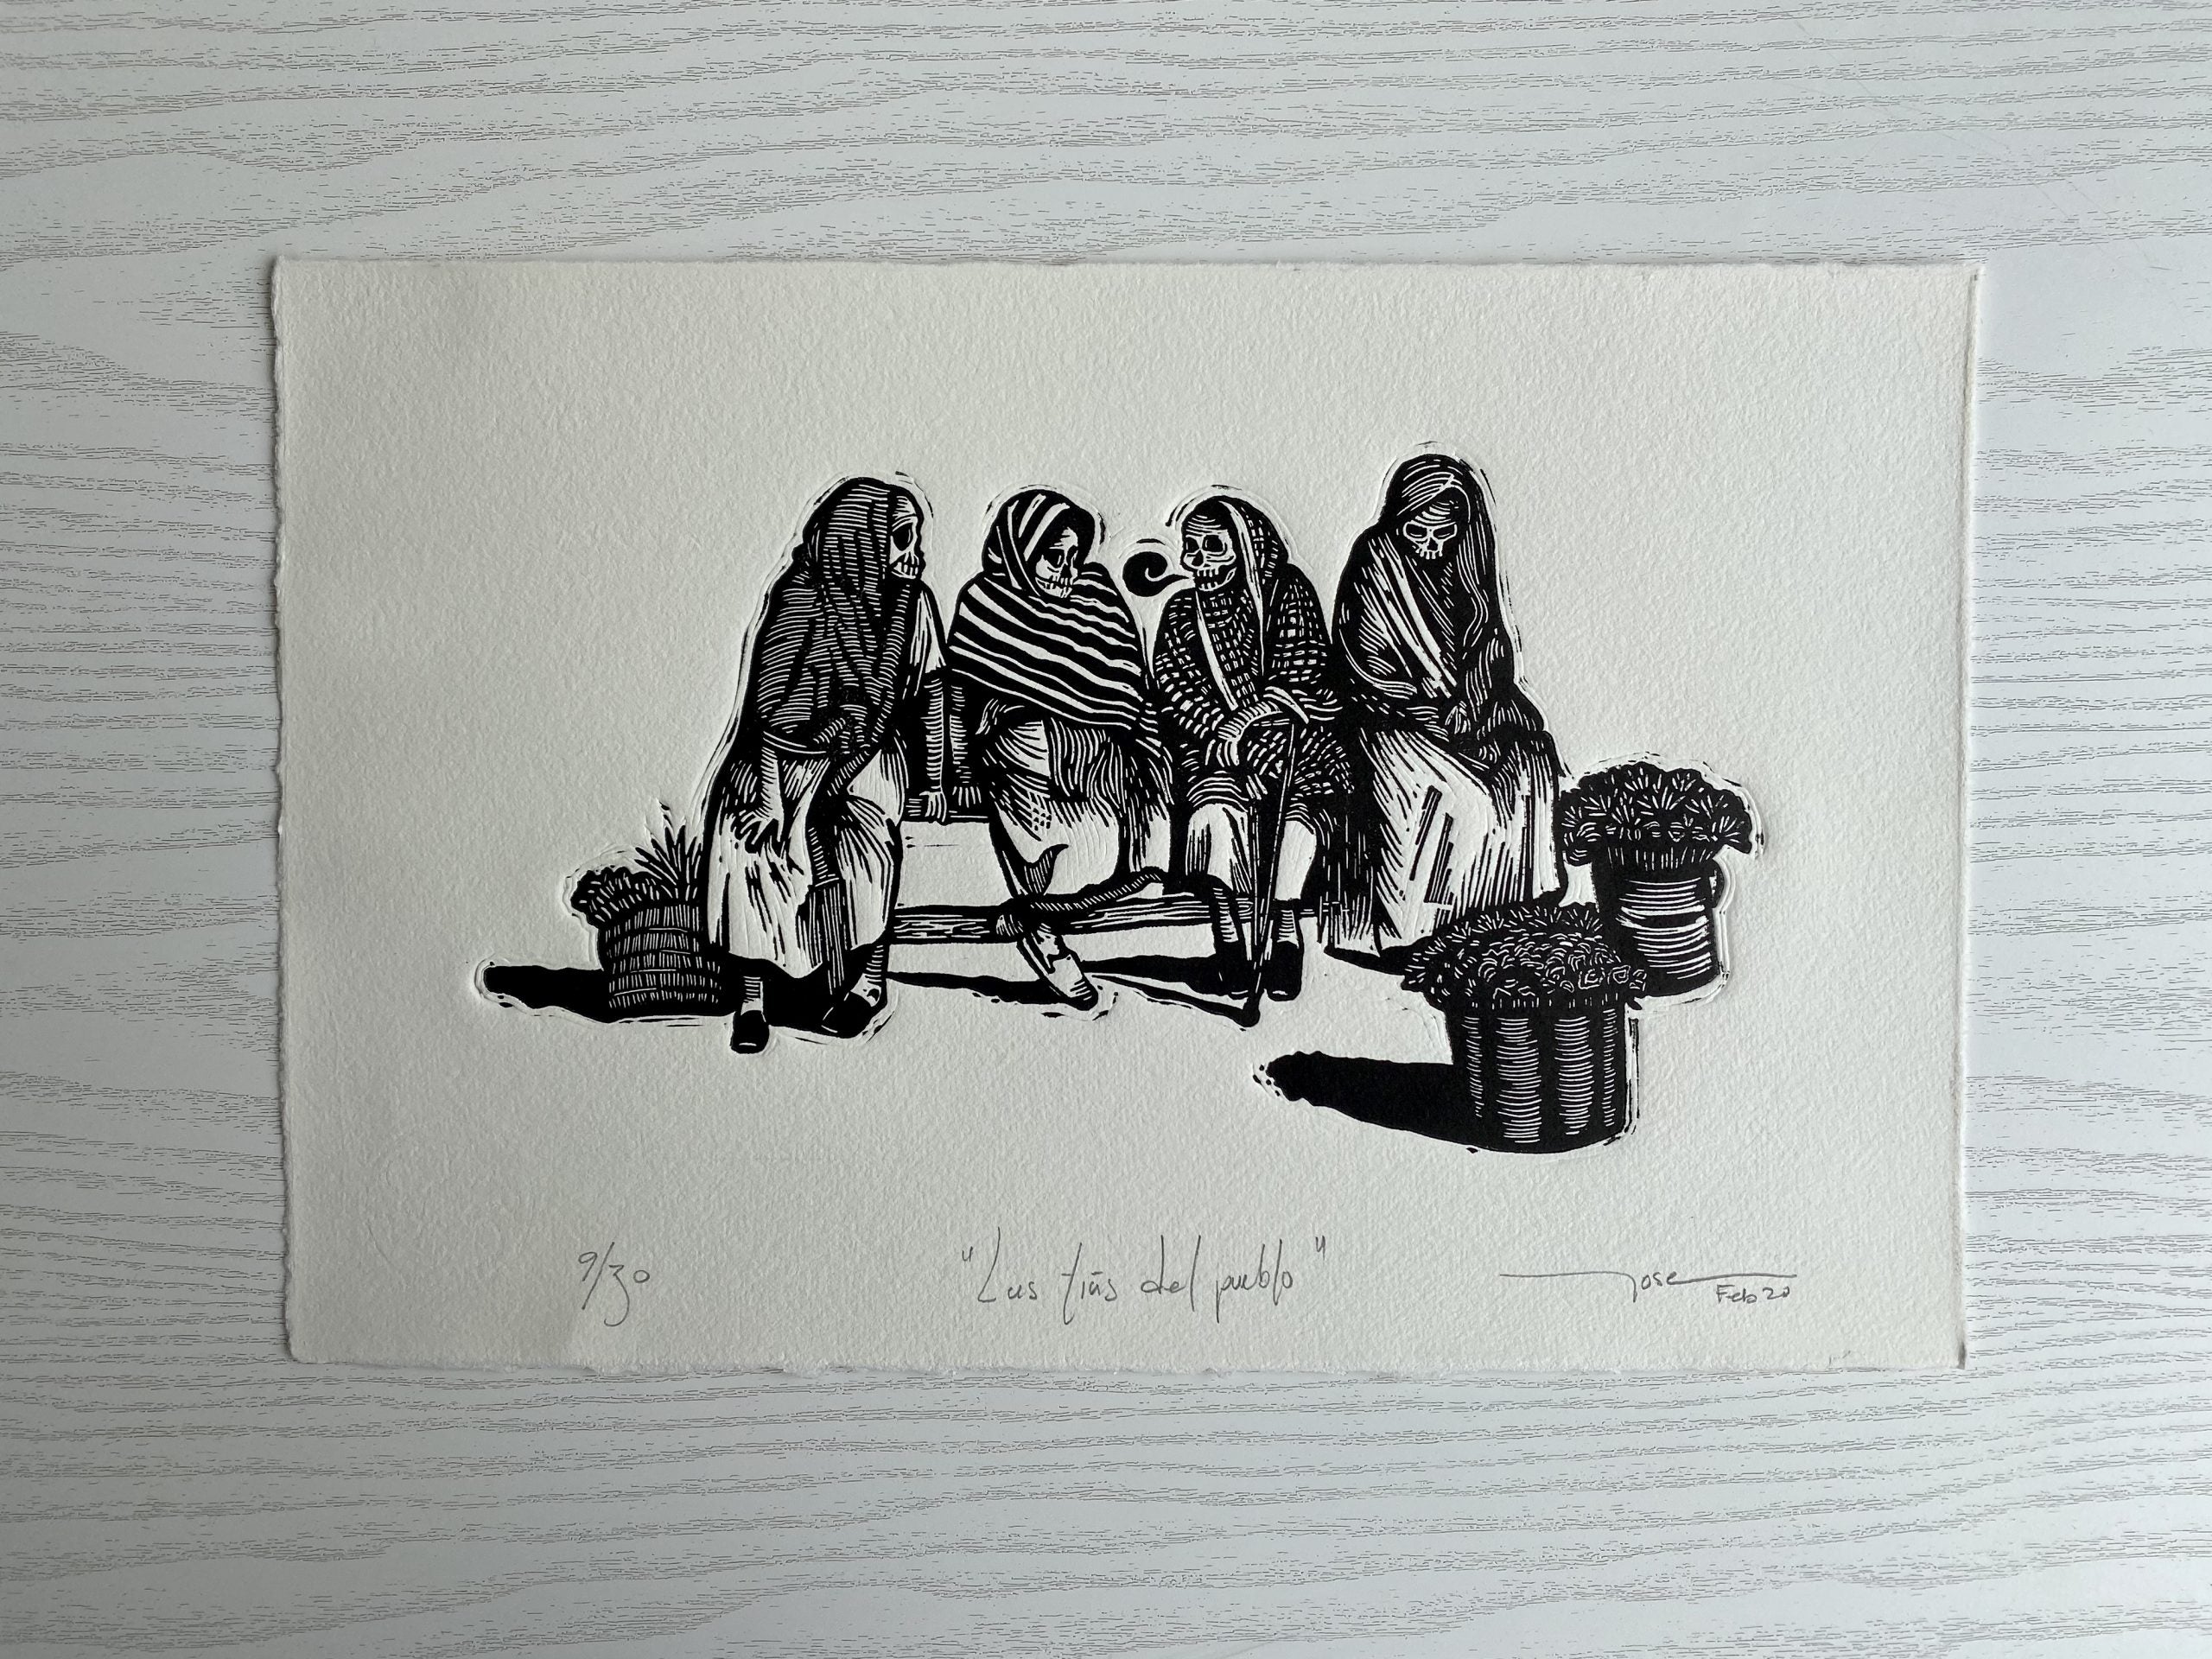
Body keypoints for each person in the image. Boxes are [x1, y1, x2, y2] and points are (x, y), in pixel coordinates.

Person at [702, 478, 947, 1052]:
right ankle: (753, 998)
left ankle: (869, 982)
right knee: (747, 837)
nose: (915, 554)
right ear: (858, 540)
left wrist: (936, 778)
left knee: (867, 832)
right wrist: (769, 795)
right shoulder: (800, 596)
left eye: (916, 538)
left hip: (867, 750)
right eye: (901, 538)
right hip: (780, 753)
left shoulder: (913, 605)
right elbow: (768, 708)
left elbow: (933, 694)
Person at [1330, 453, 1561, 961]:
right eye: (1418, 532)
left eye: (1444, 533)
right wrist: (1423, 707)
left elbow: (1491, 647)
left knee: (1529, 761)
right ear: (1398, 520)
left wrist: (1472, 707)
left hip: (1466, 715)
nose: (1431, 546)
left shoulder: (1469, 563)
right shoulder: (1374, 562)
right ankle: (1422, 929)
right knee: (1462, 796)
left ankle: (1508, 916)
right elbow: (1359, 661)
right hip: (1390, 717)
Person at [946, 489, 1170, 1007]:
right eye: (1053, 556)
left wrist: (1140, 748)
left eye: (1074, 556)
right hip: (1019, 753)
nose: (1067, 570)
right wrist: (958, 770)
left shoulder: (1098, 598)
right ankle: (1046, 941)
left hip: (1098, 759)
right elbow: (957, 695)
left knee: (1111, 851)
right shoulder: (985, 601)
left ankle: (1032, 919)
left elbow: (1129, 683)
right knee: (1059, 836)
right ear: (1021, 549)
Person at [1152, 493, 1351, 1000]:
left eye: (1213, 548)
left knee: (1298, 816)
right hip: (1213, 748)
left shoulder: (1287, 591)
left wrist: (1248, 725)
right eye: (1191, 549)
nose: (1198, 562)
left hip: (1293, 741)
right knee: (1213, 814)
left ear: (1244, 548)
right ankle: (1228, 937)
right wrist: (1222, 732)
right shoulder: (1181, 611)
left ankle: (1284, 933)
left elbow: (1304, 670)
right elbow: (1174, 687)